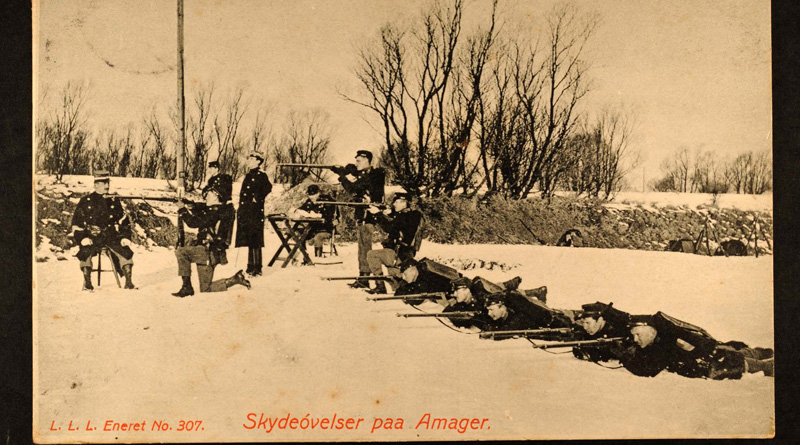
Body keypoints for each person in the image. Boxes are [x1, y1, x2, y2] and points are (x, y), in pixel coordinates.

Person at [621, 312, 774, 379]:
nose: (635, 339)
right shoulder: (660, 338)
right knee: (731, 353)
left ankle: (766, 363)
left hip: (713, 362)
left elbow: (649, 370)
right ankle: (757, 353)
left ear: (650, 331)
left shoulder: (667, 341)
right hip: (711, 354)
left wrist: (626, 359)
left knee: (736, 360)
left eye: (638, 335)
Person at [172, 185, 250, 297]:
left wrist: (182, 209)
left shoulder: (215, 213)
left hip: (208, 252)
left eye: (209, 195)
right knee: (206, 288)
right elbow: (201, 211)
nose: (205, 197)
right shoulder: (218, 210)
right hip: (210, 252)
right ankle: (235, 279)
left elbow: (193, 222)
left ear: (217, 197)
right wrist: (190, 205)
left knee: (181, 252)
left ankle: (187, 287)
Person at [70, 170, 135, 290]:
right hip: (91, 235)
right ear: (95, 185)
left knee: (125, 250)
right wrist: (83, 237)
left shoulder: (114, 200)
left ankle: (129, 280)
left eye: (107, 183)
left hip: (110, 235)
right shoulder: (86, 200)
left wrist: (125, 236)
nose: (107, 186)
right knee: (85, 250)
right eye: (103, 183)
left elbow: (123, 221)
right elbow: (76, 222)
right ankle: (87, 280)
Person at [334, 150, 385, 288]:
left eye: (359, 161)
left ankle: (379, 282)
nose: (356, 163)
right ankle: (364, 278)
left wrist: (342, 175)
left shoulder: (376, 174)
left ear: (368, 161)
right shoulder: (364, 175)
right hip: (363, 216)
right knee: (363, 248)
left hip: (371, 217)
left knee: (369, 250)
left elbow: (354, 188)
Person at [363, 193, 423, 294]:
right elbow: (399, 224)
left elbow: (391, 227)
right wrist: (389, 214)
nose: (394, 204)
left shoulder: (406, 216)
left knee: (372, 255)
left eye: (396, 202)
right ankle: (399, 285)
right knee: (397, 280)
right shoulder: (411, 215)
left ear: (404, 203)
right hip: (403, 252)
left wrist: (378, 214)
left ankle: (380, 285)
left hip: (400, 253)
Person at [236, 151, 272, 276]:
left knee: (255, 240)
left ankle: (257, 268)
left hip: (255, 212)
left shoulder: (261, 175)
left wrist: (258, 197)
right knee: (249, 239)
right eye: (248, 159)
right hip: (246, 212)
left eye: (251, 159)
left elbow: (268, 188)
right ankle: (250, 266)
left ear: (258, 161)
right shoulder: (247, 175)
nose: (249, 161)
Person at [572, 302, 637, 362]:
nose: (585, 327)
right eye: (583, 323)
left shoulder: (620, 329)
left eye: (588, 323)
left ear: (600, 320)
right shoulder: (590, 331)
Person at [289, 184, 336, 257]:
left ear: (318, 193)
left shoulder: (327, 201)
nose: (311, 197)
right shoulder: (310, 201)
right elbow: (302, 208)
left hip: (325, 228)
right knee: (297, 233)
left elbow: (330, 216)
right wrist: (297, 211)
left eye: (313, 195)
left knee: (318, 237)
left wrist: (318, 215)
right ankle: (304, 256)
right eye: (310, 195)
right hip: (312, 228)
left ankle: (318, 258)